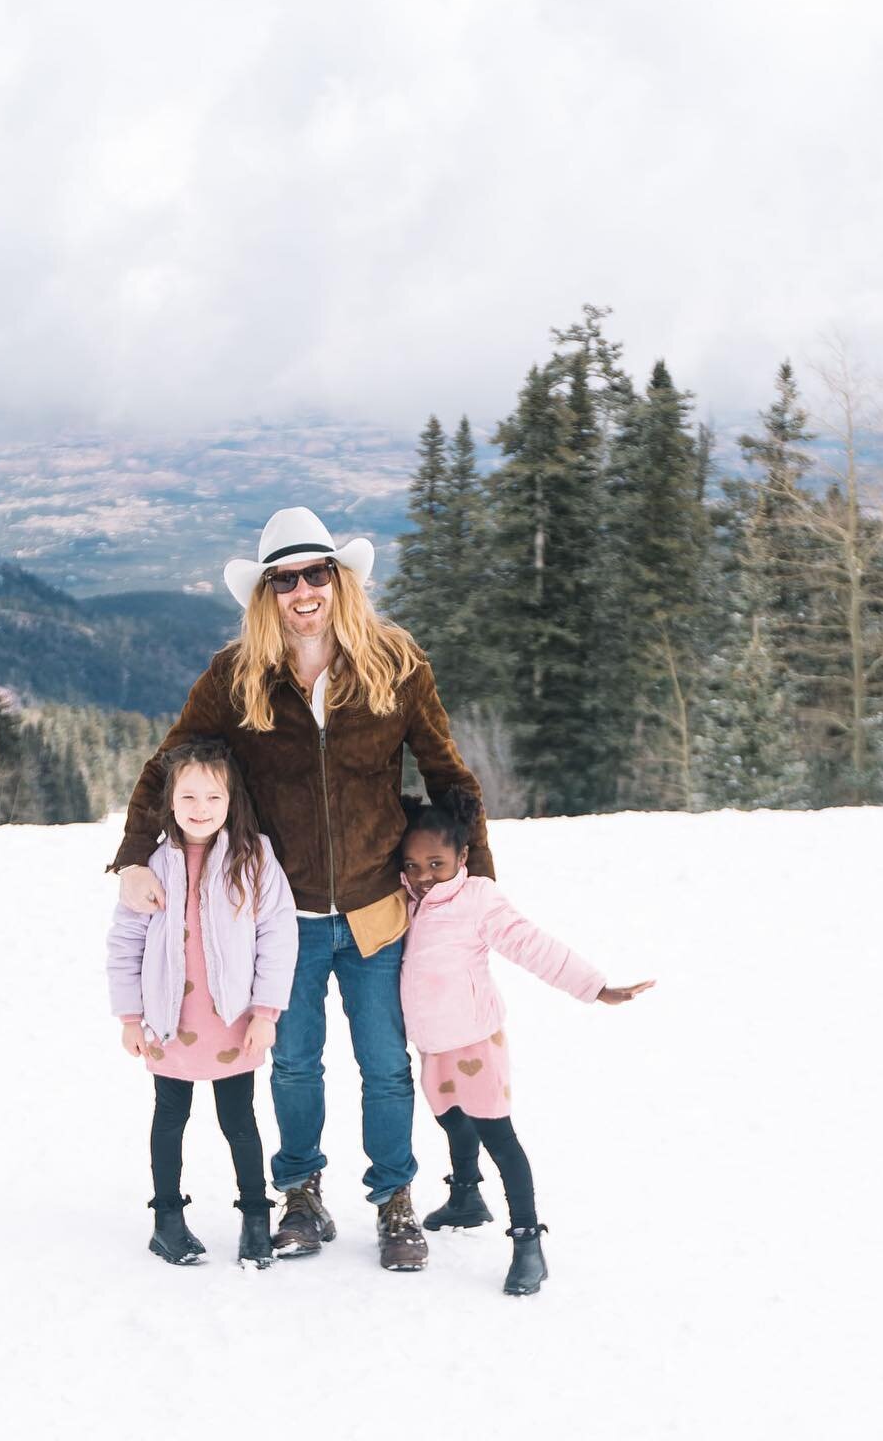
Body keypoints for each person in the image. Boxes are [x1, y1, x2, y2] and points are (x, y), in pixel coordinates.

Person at [110, 506, 490, 1271]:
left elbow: (448, 775)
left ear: (339, 580)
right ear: (267, 593)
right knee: (292, 1063)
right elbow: (169, 764)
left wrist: (477, 888)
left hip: (379, 909)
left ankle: (393, 1203)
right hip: (282, 920)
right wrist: (132, 858)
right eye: (285, 579)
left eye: (316, 573)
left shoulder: (396, 661)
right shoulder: (237, 673)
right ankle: (302, 1197)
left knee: (386, 1065)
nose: (303, 590)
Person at [398, 790, 655, 1296]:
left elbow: (532, 945)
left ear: (462, 858)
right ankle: (466, 1197)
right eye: (413, 864)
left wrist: (594, 986)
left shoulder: (478, 900)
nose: (424, 874)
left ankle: (527, 1241)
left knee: (498, 1137)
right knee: (451, 1119)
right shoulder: (406, 898)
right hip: (432, 1043)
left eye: (436, 863)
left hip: (474, 1041)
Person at [107, 737, 298, 1267]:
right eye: (188, 798)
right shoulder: (152, 865)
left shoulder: (253, 857)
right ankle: (167, 1220)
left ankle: (256, 1220)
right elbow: (124, 942)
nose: (200, 810)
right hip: (170, 1020)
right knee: (170, 1116)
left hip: (231, 1020)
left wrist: (266, 1011)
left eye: (213, 799)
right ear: (170, 801)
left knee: (239, 1120)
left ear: (232, 801)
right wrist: (129, 1018)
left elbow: (277, 936)